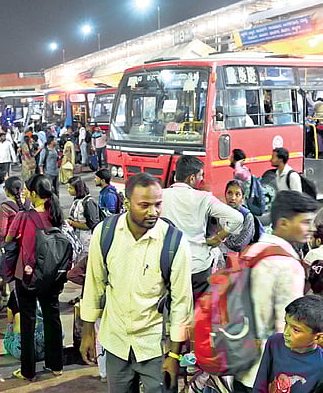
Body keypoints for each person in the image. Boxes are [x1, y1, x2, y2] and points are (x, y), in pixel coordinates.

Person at [80, 173, 193, 393]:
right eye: (144, 205)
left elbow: (182, 302)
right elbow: (93, 285)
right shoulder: (104, 234)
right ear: (126, 202)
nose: (153, 212)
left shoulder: (175, 243)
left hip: (155, 347)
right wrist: (87, 333)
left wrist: (174, 355)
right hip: (115, 342)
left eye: (158, 205)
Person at [233, 190, 318, 393]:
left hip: (239, 359)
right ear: (284, 223)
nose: (311, 228)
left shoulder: (254, 250)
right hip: (267, 372)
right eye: (305, 222)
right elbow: (289, 327)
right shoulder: (287, 265)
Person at [5, 174, 65, 381]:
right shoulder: (56, 213)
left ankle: (28, 370)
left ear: (32, 194)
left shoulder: (25, 216)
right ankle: (56, 365)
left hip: (27, 276)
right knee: (52, 317)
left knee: (28, 322)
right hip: (52, 275)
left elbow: (8, 238)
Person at [161, 155, 243, 300]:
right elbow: (237, 218)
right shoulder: (204, 198)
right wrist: (218, 237)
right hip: (197, 266)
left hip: (167, 266)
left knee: (172, 308)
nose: (201, 179)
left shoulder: (160, 195)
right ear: (192, 178)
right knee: (197, 311)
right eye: (200, 175)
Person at [252, 295, 323, 393]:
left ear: (318, 337)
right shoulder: (274, 342)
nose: (286, 332)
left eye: (296, 330)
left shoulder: (320, 365)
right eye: (286, 323)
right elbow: (260, 382)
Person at [67, 176, 100, 263]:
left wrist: (72, 223)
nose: (68, 190)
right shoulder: (77, 200)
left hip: (86, 241)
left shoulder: (88, 202)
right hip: (77, 239)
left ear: (77, 189)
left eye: (70, 188)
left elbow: (91, 225)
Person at [219, 179, 256, 254]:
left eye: (237, 194)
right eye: (229, 193)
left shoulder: (247, 217)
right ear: (225, 194)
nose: (233, 198)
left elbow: (238, 245)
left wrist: (221, 236)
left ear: (243, 197)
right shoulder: (219, 213)